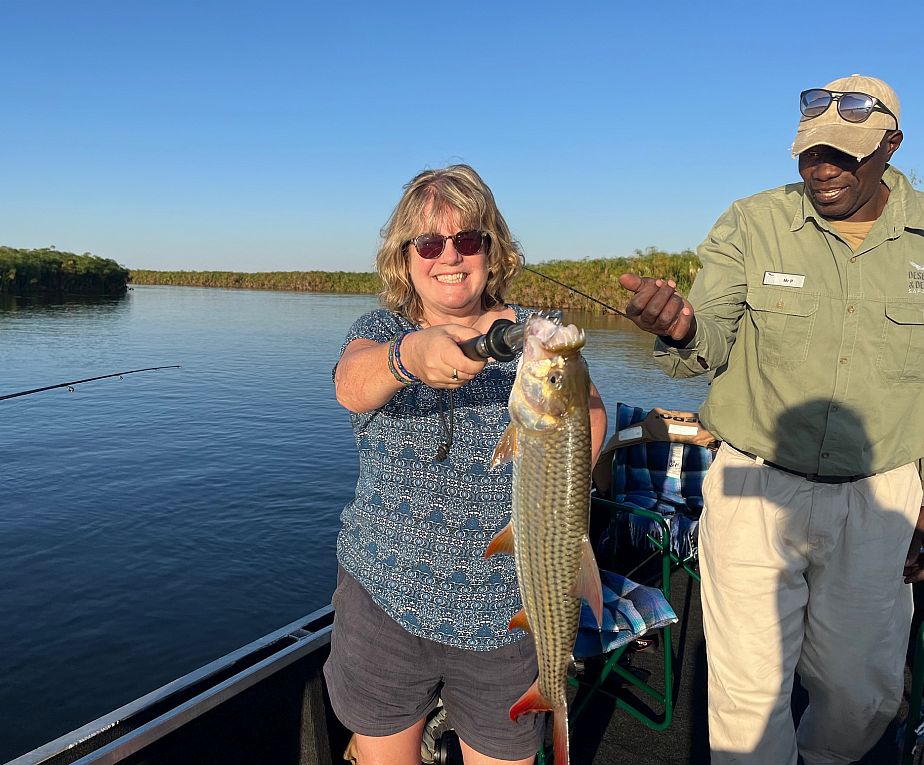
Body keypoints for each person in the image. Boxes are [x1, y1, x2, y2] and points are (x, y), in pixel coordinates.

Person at [618, 74, 924, 764]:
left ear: (892, 146)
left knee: (864, 693)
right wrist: (678, 328)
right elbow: (709, 339)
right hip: (756, 488)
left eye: (845, 155)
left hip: (881, 494)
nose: (823, 168)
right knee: (748, 707)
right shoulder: (753, 223)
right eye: (811, 152)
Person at [323, 164, 607, 765]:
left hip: (502, 617)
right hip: (385, 602)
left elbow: (588, 413)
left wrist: (559, 420)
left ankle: (549, 693)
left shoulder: (531, 339)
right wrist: (410, 357)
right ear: (405, 259)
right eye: (429, 242)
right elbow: (352, 382)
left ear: (492, 249)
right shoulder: (379, 330)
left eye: (468, 239)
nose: (448, 256)